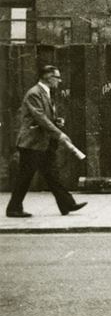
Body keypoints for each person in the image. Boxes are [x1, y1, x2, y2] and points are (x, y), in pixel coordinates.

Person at [5, 65, 87, 218]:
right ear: (49, 78)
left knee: (52, 175)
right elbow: (40, 118)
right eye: (57, 77)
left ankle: (67, 204)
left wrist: (56, 121)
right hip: (32, 143)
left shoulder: (44, 92)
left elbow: (45, 117)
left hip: (43, 142)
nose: (59, 81)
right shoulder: (34, 93)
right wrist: (59, 134)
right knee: (25, 177)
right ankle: (13, 209)